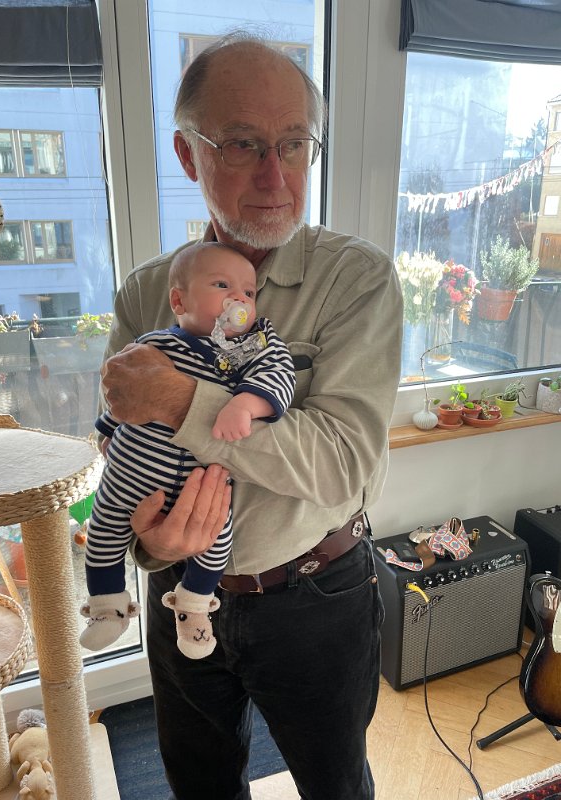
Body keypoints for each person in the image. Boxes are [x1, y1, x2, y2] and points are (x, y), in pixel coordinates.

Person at [99, 31, 403, 800]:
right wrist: (148, 542)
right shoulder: (146, 293)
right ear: (187, 154)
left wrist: (181, 401)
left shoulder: (356, 280)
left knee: (336, 785)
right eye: (243, 144)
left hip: (315, 595)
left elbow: (342, 463)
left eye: (294, 143)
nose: (276, 175)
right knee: (198, 783)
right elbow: (123, 447)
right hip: (181, 593)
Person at [81, 242, 295, 658]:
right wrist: (106, 431)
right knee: (103, 530)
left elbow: (278, 376)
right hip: (129, 474)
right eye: (222, 286)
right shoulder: (154, 344)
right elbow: (122, 391)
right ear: (179, 301)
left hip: (201, 486)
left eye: (249, 292)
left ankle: (194, 610)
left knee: (216, 544)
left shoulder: (251, 348)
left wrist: (246, 405)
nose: (239, 299)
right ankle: (107, 607)